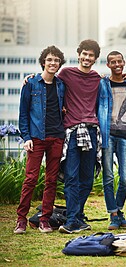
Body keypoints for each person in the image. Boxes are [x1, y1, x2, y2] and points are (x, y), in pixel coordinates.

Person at [14, 46, 66, 234]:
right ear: (43, 61)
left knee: (51, 180)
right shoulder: (31, 84)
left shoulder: (61, 85)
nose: (53, 63)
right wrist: (26, 136)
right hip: (36, 138)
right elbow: (23, 113)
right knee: (30, 179)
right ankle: (21, 219)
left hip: (56, 137)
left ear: (60, 64)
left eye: (56, 60)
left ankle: (45, 219)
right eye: (50, 59)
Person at [58, 39, 102, 234]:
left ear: (95, 58)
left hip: (92, 131)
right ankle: (72, 220)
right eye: (84, 54)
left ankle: (77, 216)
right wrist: (32, 78)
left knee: (88, 179)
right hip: (73, 131)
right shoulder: (66, 73)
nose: (87, 57)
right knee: (71, 177)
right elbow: (50, 84)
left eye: (91, 55)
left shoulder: (97, 78)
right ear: (79, 54)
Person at [98, 51, 126, 230]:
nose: (116, 64)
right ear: (108, 65)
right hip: (108, 134)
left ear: (124, 62)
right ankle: (114, 215)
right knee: (108, 177)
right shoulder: (102, 84)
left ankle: (118, 210)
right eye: (112, 62)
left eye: (119, 61)